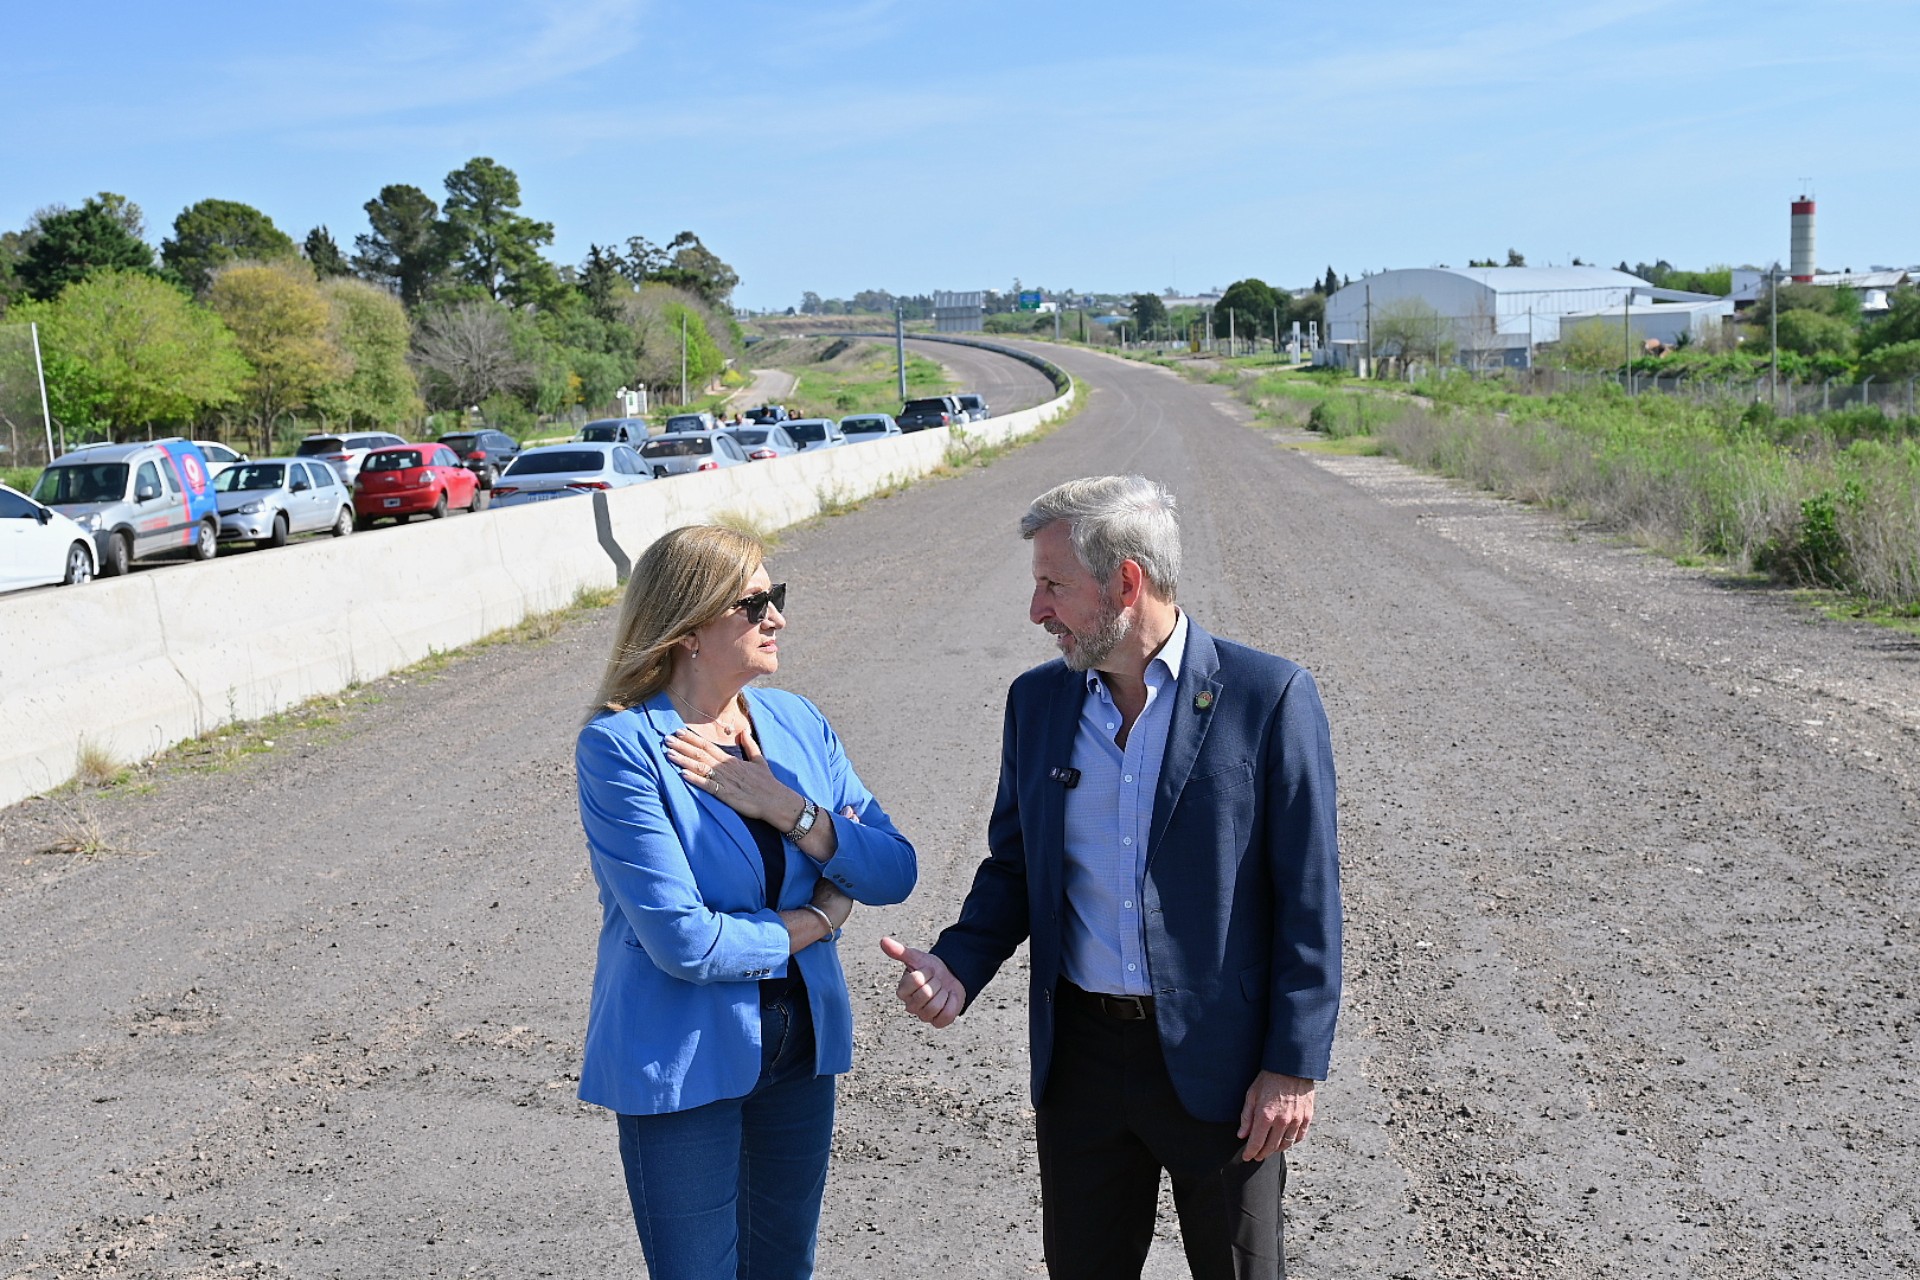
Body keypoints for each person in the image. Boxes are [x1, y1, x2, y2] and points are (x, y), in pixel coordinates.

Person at [881, 476, 1341, 1280]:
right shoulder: (1038, 704)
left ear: (1127, 581)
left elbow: (1309, 896)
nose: (1036, 610)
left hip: (1224, 1067)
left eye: (1053, 586)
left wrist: (1292, 1064)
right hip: (1083, 1063)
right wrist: (957, 964)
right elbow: (1018, 866)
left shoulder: (1267, 698)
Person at [576, 524, 918, 1280]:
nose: (778, 617)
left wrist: (791, 812)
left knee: (783, 1268)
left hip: (800, 1049)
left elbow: (893, 869)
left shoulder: (797, 721)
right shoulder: (623, 748)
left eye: (777, 597)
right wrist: (821, 920)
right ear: (689, 628)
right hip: (684, 1059)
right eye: (754, 602)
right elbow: (686, 943)